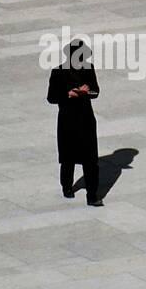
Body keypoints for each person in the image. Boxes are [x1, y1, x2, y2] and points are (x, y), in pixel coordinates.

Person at [48, 39, 102, 206]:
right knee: (67, 157)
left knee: (91, 159)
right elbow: (51, 97)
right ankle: (66, 187)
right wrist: (68, 94)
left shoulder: (88, 69)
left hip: (86, 119)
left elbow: (96, 91)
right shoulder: (58, 72)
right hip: (67, 120)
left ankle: (92, 195)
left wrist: (86, 91)